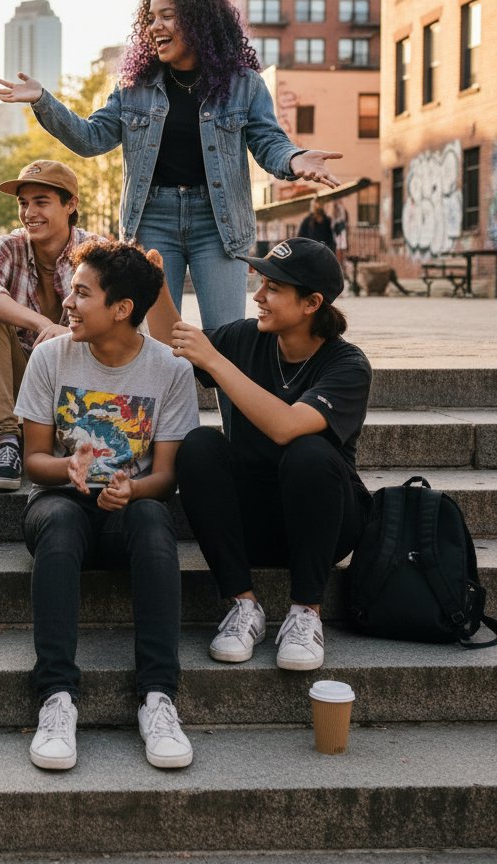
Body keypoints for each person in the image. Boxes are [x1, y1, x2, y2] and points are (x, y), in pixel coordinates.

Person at [0, 0, 343, 333]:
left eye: (167, 16)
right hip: (152, 219)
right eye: (150, 18)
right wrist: (43, 102)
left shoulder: (243, 85)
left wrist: (294, 159)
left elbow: (268, 141)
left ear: (200, 20)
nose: (155, 26)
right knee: (154, 343)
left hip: (218, 224)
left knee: (226, 339)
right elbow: (92, 139)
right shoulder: (133, 88)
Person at [146, 237, 372, 671]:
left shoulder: (347, 365)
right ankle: (243, 606)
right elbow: (175, 341)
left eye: (273, 288)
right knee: (199, 446)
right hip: (253, 523)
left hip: (323, 525)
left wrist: (217, 363)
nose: (258, 297)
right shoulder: (246, 338)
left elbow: (286, 426)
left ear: (311, 303)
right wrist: (158, 289)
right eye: (261, 282)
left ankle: (307, 611)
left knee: (308, 452)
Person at [16, 239, 199, 771]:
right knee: (59, 520)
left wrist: (133, 489)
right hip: (58, 503)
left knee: (152, 517)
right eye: (70, 292)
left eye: (81, 294)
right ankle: (56, 698)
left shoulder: (170, 370)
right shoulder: (51, 355)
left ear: (121, 309)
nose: (67, 304)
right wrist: (67, 468)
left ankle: (158, 698)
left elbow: (164, 476)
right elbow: (33, 460)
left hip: (127, 513)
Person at [0, 160, 98, 491]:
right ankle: (6, 443)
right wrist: (41, 323)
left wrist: (66, 332)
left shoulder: (96, 252)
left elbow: (123, 324)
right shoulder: (9, 245)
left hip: (77, 380)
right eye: (24, 203)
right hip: (24, 374)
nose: (29, 213)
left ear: (70, 205)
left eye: (41, 202)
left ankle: (59, 439)